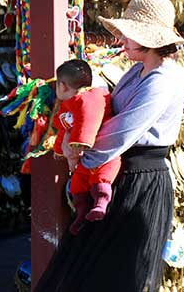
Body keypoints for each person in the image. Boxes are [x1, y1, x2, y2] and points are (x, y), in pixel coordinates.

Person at [37, 0, 184, 292]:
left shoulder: (162, 78)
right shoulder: (138, 70)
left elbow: (124, 130)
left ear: (149, 39)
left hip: (140, 180)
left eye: (129, 34)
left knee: (116, 275)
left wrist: (83, 158)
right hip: (118, 172)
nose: (122, 39)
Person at [52, 60, 116, 235]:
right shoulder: (69, 105)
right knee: (78, 185)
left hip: (102, 155)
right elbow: (62, 129)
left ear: (62, 86)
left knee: (100, 180)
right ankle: (81, 215)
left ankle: (101, 205)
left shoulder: (91, 98)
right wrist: (59, 150)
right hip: (83, 160)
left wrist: (78, 145)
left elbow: (88, 121)